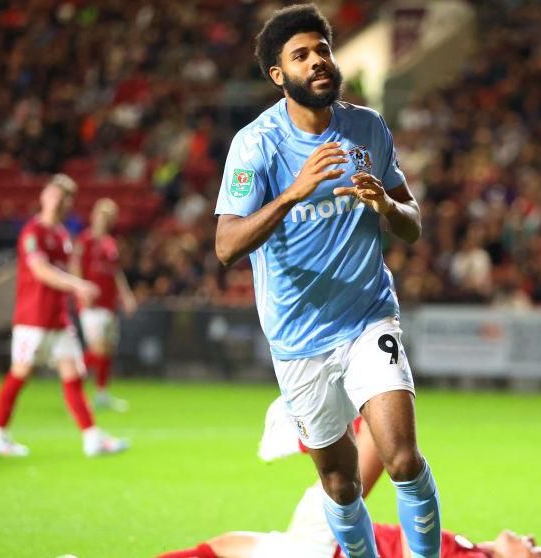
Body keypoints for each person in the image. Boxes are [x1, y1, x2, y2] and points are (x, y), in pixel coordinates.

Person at [213, 5, 437, 556]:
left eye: (322, 50)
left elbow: (411, 226)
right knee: (340, 484)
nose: (317, 61)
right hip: (298, 339)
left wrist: (386, 203)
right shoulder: (256, 145)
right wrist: (291, 193)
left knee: (401, 458)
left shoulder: (368, 127)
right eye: (301, 55)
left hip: (367, 316)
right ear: (278, 75)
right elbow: (226, 246)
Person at [156, 402, 541, 558]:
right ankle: (307, 429)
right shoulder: (473, 549)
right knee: (227, 546)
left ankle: (304, 428)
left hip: (333, 545)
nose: (536, 545)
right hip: (329, 543)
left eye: (535, 554)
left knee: (382, 431)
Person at [0, 174, 128, 457]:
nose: (55, 199)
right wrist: (78, 285)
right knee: (21, 374)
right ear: (43, 196)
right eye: (52, 193)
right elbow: (41, 271)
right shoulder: (32, 233)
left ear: (67, 204)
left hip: (59, 319)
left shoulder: (63, 237)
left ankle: (91, 437)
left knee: (73, 375)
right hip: (33, 319)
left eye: (62, 197)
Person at [72, 198, 137, 411]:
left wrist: (126, 295)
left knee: (106, 350)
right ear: (95, 215)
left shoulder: (110, 243)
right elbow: (75, 266)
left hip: (108, 303)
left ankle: (101, 394)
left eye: (110, 215)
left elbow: (115, 272)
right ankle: (72, 381)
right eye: (104, 214)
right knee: (97, 348)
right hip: (92, 303)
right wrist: (81, 291)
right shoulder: (85, 240)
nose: (106, 218)